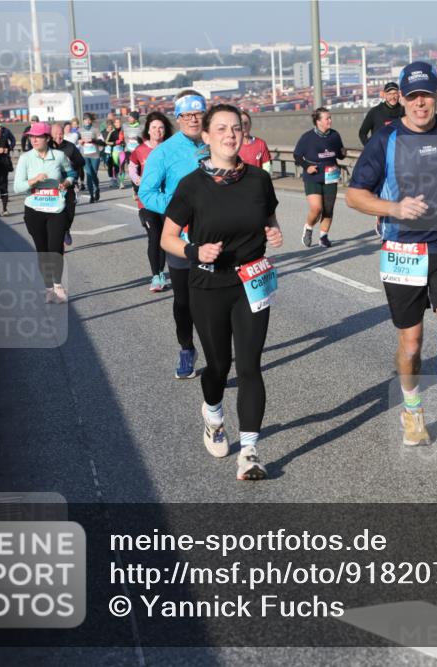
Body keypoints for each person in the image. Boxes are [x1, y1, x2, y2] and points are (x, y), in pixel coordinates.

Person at [346, 61, 437, 458]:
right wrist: (393, 208)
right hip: (403, 250)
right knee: (411, 344)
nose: (420, 103)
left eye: (426, 95)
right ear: (402, 100)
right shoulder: (386, 140)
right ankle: (412, 410)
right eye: (412, 97)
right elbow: (355, 195)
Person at [161, 103, 282, 481]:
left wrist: (272, 231)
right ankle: (213, 414)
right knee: (218, 366)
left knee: (249, 365)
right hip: (208, 285)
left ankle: (249, 451)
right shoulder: (191, 186)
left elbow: (268, 217)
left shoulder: (259, 180)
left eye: (237, 129)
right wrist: (194, 250)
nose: (231, 135)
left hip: (252, 280)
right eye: (222, 129)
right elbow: (168, 237)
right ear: (208, 136)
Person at [138, 89, 208, 379]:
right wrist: (182, 209)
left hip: (217, 237)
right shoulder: (163, 152)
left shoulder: (219, 143)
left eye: (198, 113)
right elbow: (147, 192)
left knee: (216, 299)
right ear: (177, 118)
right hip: (180, 238)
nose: (193, 119)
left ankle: (218, 352)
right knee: (183, 301)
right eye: (187, 115)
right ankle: (186, 347)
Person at [13, 122, 75, 304]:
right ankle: (48, 288)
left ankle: (57, 285)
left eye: (38, 137)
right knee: (42, 252)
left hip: (56, 209)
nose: (34, 140)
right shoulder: (25, 158)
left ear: (47, 138)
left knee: (56, 250)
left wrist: (66, 183)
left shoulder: (59, 156)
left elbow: (71, 173)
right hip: (34, 211)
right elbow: (17, 187)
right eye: (31, 137)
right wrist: (34, 180)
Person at [128, 111, 173, 292]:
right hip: (147, 201)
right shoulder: (141, 150)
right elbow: (132, 166)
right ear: (148, 129)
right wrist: (137, 180)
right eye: (154, 127)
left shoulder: (171, 148)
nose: (157, 131)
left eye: (161, 127)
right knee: (154, 236)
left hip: (168, 200)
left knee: (166, 238)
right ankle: (157, 275)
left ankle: (167, 271)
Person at [293, 107, 345, 248]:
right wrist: (306, 166)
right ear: (318, 121)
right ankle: (308, 228)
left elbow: (340, 155)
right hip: (313, 175)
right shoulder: (307, 137)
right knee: (316, 208)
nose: (330, 120)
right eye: (327, 118)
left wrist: (342, 152)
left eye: (330, 117)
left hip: (331, 173)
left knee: (328, 209)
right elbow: (297, 155)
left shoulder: (335, 135)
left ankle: (323, 237)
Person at [50, 122, 85, 247]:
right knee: (56, 213)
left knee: (70, 211)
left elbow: (81, 161)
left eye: (61, 134)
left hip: (68, 184)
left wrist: (72, 164)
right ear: (51, 135)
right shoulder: (47, 147)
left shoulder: (70, 147)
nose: (59, 137)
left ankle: (66, 229)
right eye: (56, 134)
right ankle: (57, 236)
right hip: (52, 186)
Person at [359, 81, 405, 145]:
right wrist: (369, 148)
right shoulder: (375, 112)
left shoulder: (405, 111)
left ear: (399, 94)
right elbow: (362, 133)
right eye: (389, 94)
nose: (392, 97)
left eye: (395, 93)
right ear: (385, 95)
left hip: (399, 151)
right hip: (380, 151)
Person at [77, 113, 104, 203]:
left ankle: (97, 188)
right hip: (85, 155)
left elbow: (102, 142)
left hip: (95, 155)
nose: (87, 121)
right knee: (88, 174)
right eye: (85, 119)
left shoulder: (95, 130)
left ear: (91, 120)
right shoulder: (80, 130)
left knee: (94, 174)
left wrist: (93, 140)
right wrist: (80, 142)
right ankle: (91, 195)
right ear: (83, 120)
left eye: (89, 119)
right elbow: (77, 142)